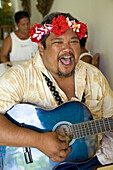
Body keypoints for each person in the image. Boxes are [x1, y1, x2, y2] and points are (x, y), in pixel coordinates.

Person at [0, 12, 113, 170]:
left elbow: (109, 118)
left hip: (92, 159)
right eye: (58, 42)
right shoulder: (18, 78)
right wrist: (37, 140)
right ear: (41, 48)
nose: (67, 48)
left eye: (73, 41)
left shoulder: (94, 76)